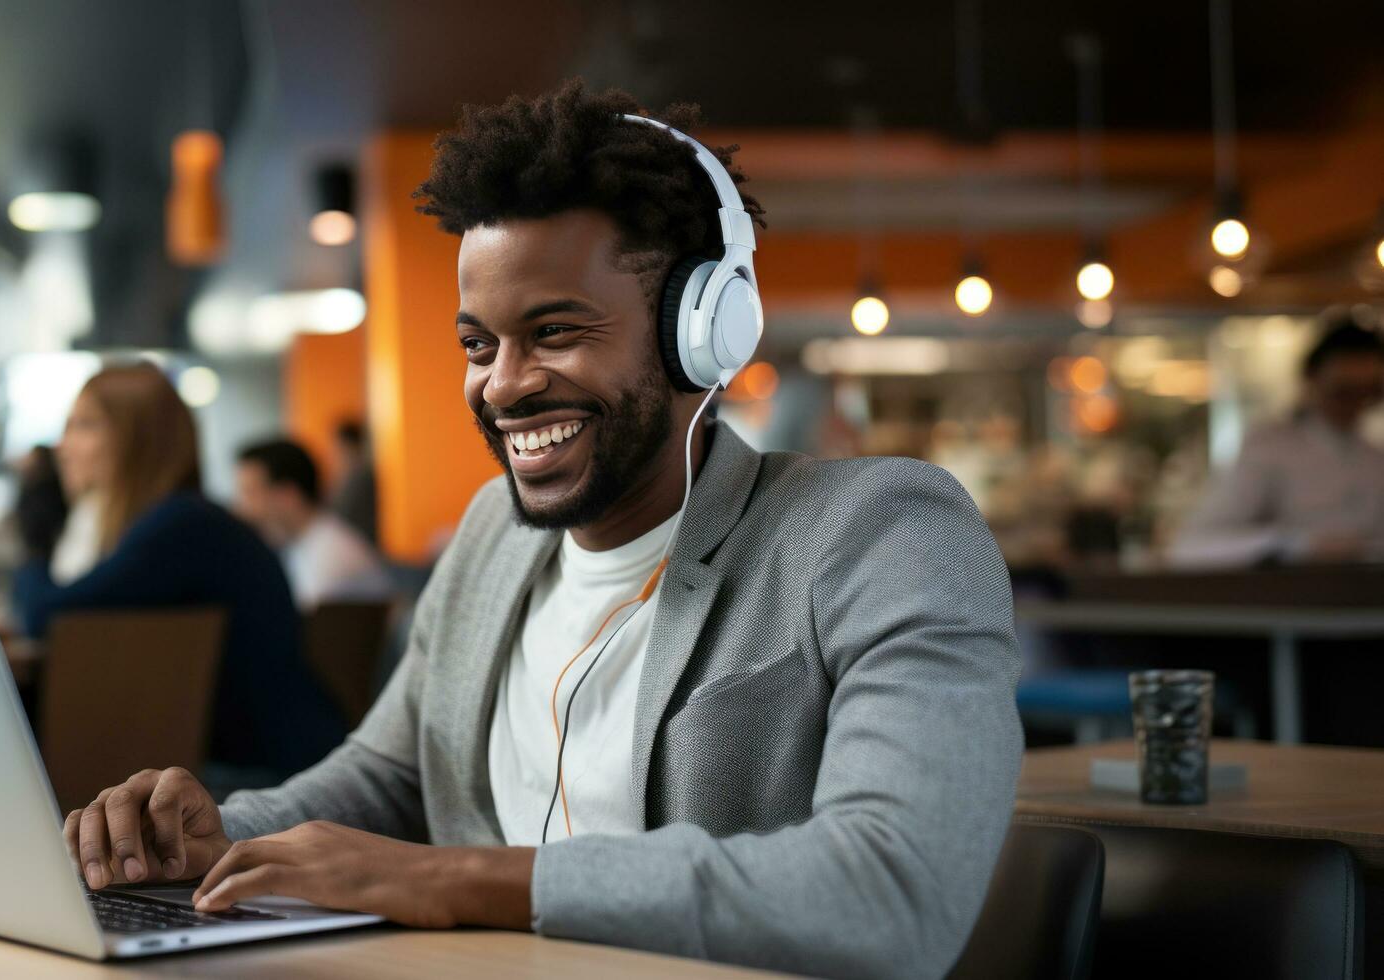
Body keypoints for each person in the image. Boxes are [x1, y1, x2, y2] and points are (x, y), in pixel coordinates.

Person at [63, 82, 1020, 978]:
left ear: (702, 332)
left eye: (555, 332)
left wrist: (456, 881)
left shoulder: (880, 532)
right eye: (477, 344)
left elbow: (895, 893)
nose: (503, 383)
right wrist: (220, 836)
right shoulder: (494, 534)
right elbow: (390, 774)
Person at [11, 364, 347, 779]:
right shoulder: (181, 521)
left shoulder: (183, 526)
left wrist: (35, 543)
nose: (64, 446)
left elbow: (49, 616)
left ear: (139, 439)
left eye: (86, 425)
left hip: (272, 774)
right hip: (245, 758)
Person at [1171, 313, 1384, 567]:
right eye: (1343, 392)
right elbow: (1193, 545)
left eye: (1369, 392)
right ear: (1311, 381)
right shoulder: (1270, 449)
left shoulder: (1373, 457)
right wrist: (1297, 545)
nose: (1356, 405)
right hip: (1290, 599)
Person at [232, 438, 396, 611]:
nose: (241, 508)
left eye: (250, 493)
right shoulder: (304, 544)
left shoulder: (329, 556)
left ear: (288, 495)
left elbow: (305, 632)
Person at [328, 420, 379, 546]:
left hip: (362, 543)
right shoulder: (347, 477)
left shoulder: (363, 477)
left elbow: (342, 516)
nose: (335, 454)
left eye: (339, 448)